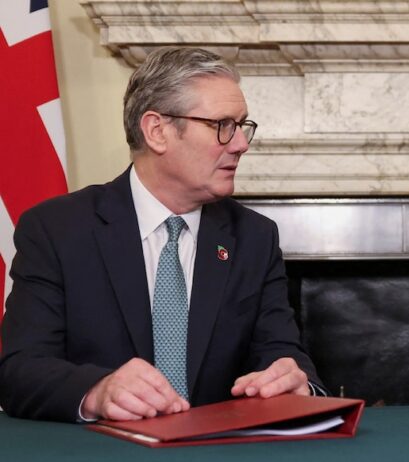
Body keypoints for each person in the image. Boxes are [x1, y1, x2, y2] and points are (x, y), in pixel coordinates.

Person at [0, 47, 325, 422]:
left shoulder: (253, 237)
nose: (241, 144)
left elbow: (282, 352)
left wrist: (295, 383)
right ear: (157, 131)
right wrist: (96, 392)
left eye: (242, 125)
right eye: (223, 125)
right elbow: (20, 371)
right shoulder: (57, 230)